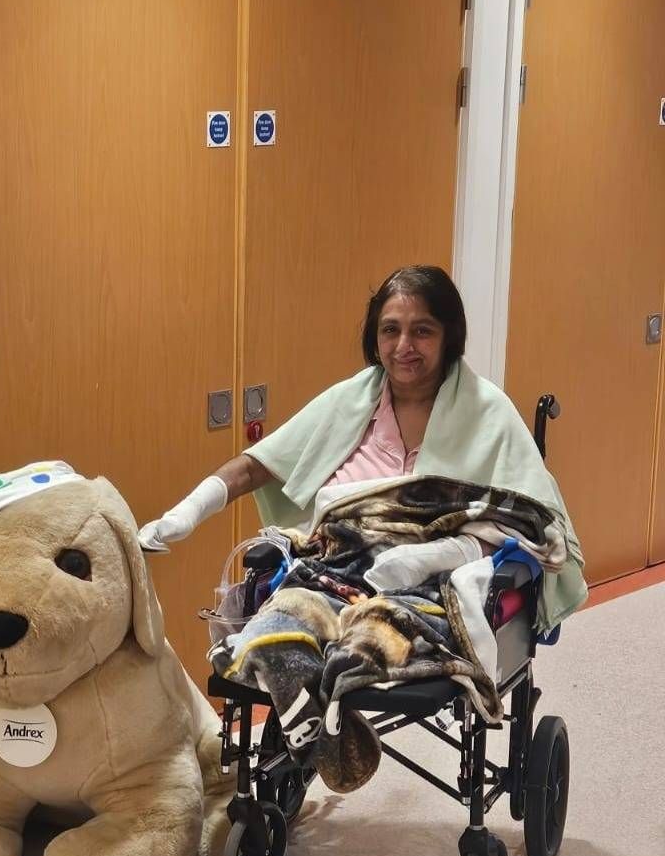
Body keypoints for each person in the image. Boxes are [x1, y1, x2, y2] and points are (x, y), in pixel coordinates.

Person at [138, 265, 585, 631]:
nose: (403, 347)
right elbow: (258, 465)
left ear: (450, 335)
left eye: (422, 331)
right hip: (333, 576)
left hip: (434, 598)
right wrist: (186, 513)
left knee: (297, 631)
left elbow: (535, 522)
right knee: (256, 621)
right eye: (390, 330)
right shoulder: (351, 400)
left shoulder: (488, 412)